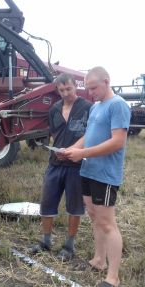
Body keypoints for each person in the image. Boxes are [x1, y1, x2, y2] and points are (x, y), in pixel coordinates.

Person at [63, 66, 130, 287]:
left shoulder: (118, 105)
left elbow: (117, 142)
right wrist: (73, 148)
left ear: (106, 81)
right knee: (93, 216)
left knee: (107, 223)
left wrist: (83, 153)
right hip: (88, 171)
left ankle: (113, 276)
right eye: (88, 88)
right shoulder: (96, 107)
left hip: (105, 174)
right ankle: (99, 260)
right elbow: (88, 135)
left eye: (93, 88)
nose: (90, 93)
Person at [29, 73, 92, 261]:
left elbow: (91, 133)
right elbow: (53, 134)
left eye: (69, 89)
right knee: (47, 202)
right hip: (55, 163)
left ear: (76, 87)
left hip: (76, 165)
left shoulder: (88, 108)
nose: (65, 93)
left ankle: (69, 245)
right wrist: (55, 149)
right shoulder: (54, 109)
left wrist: (73, 149)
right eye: (62, 90)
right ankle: (46, 241)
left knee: (75, 206)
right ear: (57, 90)